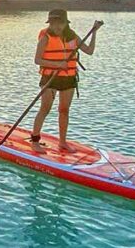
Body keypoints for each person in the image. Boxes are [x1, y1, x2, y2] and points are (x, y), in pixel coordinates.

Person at [29, 10, 102, 153]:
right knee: (45, 109)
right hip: (50, 77)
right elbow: (37, 60)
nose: (56, 26)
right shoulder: (46, 37)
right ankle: (35, 141)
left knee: (64, 110)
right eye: (53, 23)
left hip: (68, 78)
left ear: (65, 23)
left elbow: (89, 51)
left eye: (60, 23)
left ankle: (62, 142)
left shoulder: (72, 36)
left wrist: (94, 32)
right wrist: (57, 64)